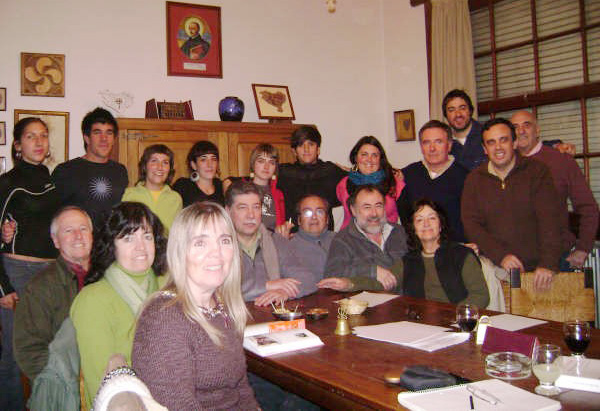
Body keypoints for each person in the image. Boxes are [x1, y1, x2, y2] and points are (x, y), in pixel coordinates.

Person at [132, 202, 258, 410]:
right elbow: (178, 405)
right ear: (180, 252)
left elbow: (240, 388)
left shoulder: (222, 307)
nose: (216, 253)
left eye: (224, 241)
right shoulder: (164, 318)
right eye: (200, 243)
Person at [70, 202, 167, 409]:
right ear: (111, 245)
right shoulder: (93, 300)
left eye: (147, 236)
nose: (140, 247)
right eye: (128, 238)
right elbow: (103, 383)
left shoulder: (165, 290)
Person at [0, 117, 62, 410]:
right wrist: (3, 288)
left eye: (43, 135)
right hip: (19, 273)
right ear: (17, 144)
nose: (38, 142)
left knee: (47, 351)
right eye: (30, 136)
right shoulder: (8, 183)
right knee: (13, 354)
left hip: (50, 275)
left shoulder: (51, 179)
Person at [461, 118, 564, 290]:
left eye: (504, 140)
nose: (498, 147)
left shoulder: (538, 172)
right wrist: (501, 256)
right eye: (491, 143)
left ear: (514, 142)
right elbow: (472, 226)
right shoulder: (474, 180)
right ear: (485, 149)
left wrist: (547, 263)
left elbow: (550, 221)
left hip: (537, 272)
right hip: (494, 271)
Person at [510, 110, 599, 270]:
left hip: (557, 257)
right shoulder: (505, 164)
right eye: (515, 127)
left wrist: (583, 248)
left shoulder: (561, 160)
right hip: (516, 260)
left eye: (526, 125)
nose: (520, 131)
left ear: (537, 130)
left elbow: (588, 207)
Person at [13, 206, 92, 382]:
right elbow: (29, 351)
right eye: (69, 230)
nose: (78, 235)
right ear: (56, 241)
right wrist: (69, 379)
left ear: (92, 235)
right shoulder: (40, 288)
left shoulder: (107, 278)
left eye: (83, 229)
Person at [225, 180, 317, 307]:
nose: (251, 215)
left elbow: (308, 280)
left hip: (270, 319)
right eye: (242, 208)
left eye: (256, 207)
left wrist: (285, 292)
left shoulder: (277, 241)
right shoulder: (218, 246)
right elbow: (220, 289)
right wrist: (267, 285)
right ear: (228, 212)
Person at [392, 199, 489, 307]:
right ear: (413, 228)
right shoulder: (408, 261)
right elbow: (382, 284)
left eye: (432, 218)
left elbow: (481, 295)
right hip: (419, 321)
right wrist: (372, 270)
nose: (426, 224)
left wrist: (455, 314)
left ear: (441, 225)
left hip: (455, 320)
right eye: (419, 220)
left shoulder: (461, 255)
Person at [318, 185, 408, 292]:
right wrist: (372, 270)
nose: (374, 213)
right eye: (367, 207)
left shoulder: (399, 232)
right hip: (368, 305)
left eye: (378, 206)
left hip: (407, 301)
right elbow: (332, 274)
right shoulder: (343, 240)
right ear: (353, 210)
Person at [52, 107, 128, 231]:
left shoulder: (120, 171)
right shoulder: (66, 171)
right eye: (97, 132)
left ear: (114, 139)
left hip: (111, 246)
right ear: (87, 138)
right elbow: (52, 214)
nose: (104, 139)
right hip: (77, 245)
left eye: (109, 133)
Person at [397, 120, 469, 242]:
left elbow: (471, 221)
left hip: (455, 249)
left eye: (438, 142)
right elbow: (404, 217)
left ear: (449, 145)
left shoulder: (465, 177)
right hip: (418, 249)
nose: (432, 148)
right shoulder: (407, 175)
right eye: (426, 143)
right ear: (421, 147)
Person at [277, 126, 347, 230]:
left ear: (318, 149)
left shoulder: (331, 171)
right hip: (293, 236)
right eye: (301, 145)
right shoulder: (284, 172)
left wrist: (353, 171)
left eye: (311, 144)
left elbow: (355, 186)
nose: (306, 149)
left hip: (325, 236)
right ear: (294, 151)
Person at [337, 136, 404, 229]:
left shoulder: (395, 183)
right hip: (351, 240)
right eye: (364, 154)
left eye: (374, 155)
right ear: (356, 158)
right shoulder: (343, 184)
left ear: (380, 159)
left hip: (386, 239)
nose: (369, 159)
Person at [223, 143, 286, 232]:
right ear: (253, 164)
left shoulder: (279, 194)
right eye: (261, 161)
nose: (266, 166)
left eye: (271, 162)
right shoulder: (241, 190)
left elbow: (281, 225)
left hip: (273, 242)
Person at [122, 144, 182, 232]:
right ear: (145, 166)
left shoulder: (176, 199)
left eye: (165, 162)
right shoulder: (128, 195)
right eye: (154, 161)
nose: (160, 167)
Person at [287, 194, 335, 279]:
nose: (314, 217)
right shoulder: (288, 246)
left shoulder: (341, 240)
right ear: (299, 220)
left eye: (319, 212)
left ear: (327, 218)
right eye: (307, 212)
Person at [172, 140, 225, 207]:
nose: (209, 164)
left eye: (213, 159)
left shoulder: (221, 186)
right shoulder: (183, 186)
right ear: (194, 165)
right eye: (203, 160)